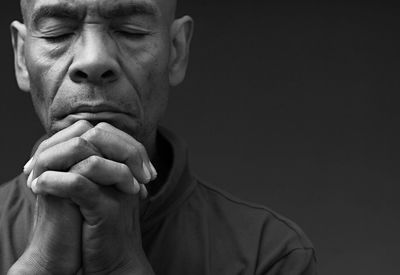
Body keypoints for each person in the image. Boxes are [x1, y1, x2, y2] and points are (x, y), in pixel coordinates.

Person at [0, 0, 317, 274]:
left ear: (176, 51)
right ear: (20, 57)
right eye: (58, 32)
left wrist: (123, 267)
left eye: (131, 31)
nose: (92, 61)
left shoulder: (269, 254)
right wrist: (41, 265)